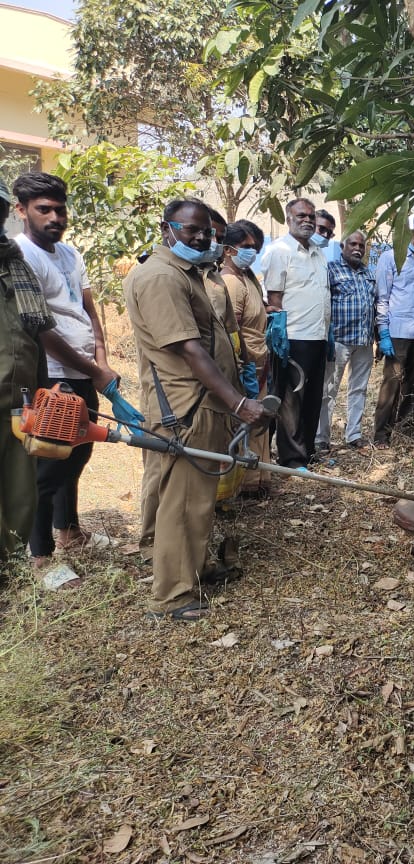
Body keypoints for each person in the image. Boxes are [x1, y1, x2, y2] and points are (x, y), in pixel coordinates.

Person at [124, 198, 267, 621]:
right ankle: (172, 595)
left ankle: (196, 569)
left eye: (207, 231)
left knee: (199, 499)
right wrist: (239, 402)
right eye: (191, 230)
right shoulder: (160, 278)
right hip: (185, 409)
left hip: (202, 406)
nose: (201, 237)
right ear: (166, 228)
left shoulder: (186, 275)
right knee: (182, 501)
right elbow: (188, 350)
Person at [12, 173, 120, 565]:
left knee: (77, 452)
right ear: (21, 211)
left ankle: (69, 529)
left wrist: (102, 361)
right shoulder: (22, 257)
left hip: (83, 369)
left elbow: (87, 309)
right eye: (44, 209)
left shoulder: (71, 254)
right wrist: (92, 367)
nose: (55, 217)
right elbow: (41, 330)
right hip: (52, 372)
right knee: (49, 461)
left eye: (60, 209)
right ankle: (40, 556)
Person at [0, 178, 53, 565]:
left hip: (19, 401)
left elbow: (34, 333)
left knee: (21, 494)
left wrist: (43, 390)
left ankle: (11, 568)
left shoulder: (15, 264)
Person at [263, 198, 331, 468]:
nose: (307, 220)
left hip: (318, 336)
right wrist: (279, 332)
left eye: (311, 216)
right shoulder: (279, 251)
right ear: (288, 219)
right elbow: (274, 297)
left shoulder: (318, 251)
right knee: (292, 399)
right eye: (301, 215)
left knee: (313, 397)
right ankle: (291, 458)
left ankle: (308, 451)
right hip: (293, 337)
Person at [373, 225, 414, 446]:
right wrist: (383, 333)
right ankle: (381, 435)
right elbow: (382, 297)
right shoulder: (391, 257)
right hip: (398, 332)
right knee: (392, 384)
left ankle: (404, 433)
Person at [220, 220, 271, 495]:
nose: (253, 252)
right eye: (247, 247)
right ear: (228, 250)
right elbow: (233, 329)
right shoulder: (230, 282)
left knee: (260, 422)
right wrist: (244, 366)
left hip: (260, 360)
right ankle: (245, 485)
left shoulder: (247, 277)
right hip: (246, 365)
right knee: (244, 425)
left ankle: (259, 480)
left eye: (256, 248)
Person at [318, 230, 375, 449]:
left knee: (359, 389)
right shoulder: (331, 270)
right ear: (343, 246)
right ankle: (322, 438)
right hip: (339, 340)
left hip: (364, 341)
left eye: (361, 245)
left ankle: (353, 435)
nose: (357, 249)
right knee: (329, 390)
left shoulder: (367, 273)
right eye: (353, 244)